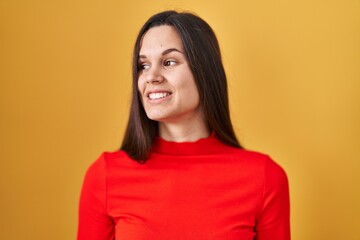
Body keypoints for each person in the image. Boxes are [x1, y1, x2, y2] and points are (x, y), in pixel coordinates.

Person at [77, 10, 290, 240]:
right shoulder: (105, 176)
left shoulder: (264, 178)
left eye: (169, 62)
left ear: (205, 73)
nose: (151, 77)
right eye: (143, 65)